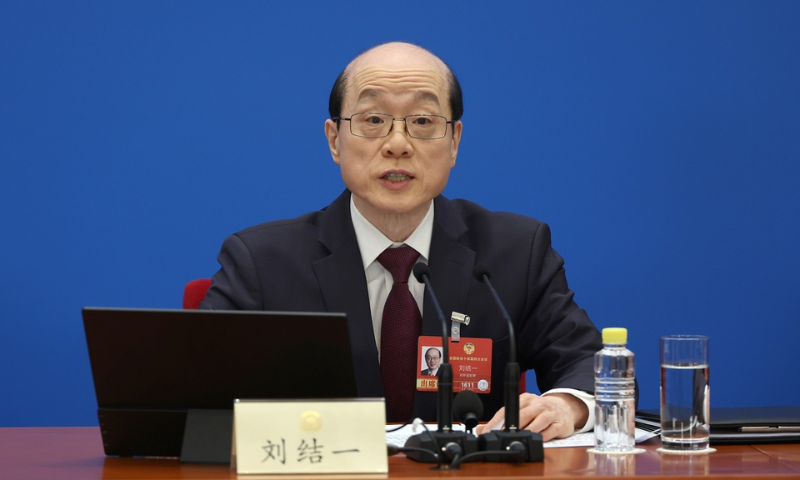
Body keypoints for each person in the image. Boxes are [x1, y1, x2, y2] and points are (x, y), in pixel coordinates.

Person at [201, 41, 608, 441]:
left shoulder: (514, 253)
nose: (398, 144)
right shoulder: (262, 263)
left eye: (423, 121)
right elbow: (198, 392)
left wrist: (565, 406)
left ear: (454, 142)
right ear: (334, 140)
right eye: (373, 120)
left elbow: (590, 365)